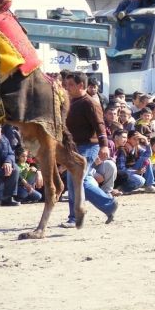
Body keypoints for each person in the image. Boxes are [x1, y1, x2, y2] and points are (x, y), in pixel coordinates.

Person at [62, 71, 118, 227]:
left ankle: (75, 218)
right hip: (74, 147)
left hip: (89, 146)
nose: (68, 88)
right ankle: (109, 205)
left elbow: (99, 125)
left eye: (71, 85)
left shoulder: (90, 103)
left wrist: (104, 145)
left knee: (76, 179)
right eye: (66, 85)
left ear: (81, 85)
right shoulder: (70, 101)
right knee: (80, 180)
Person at [0, 126, 21, 206]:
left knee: (15, 168)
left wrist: (8, 162)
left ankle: (8, 198)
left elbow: (11, 153)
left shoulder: (4, 140)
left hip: (0, 169)